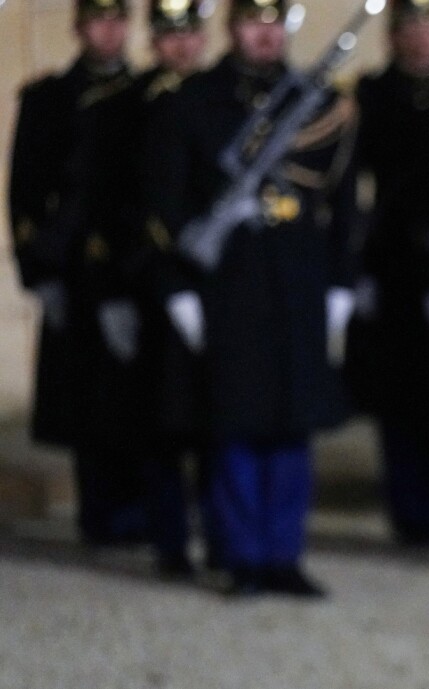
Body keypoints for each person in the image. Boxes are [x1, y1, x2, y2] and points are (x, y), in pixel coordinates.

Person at [141, 0, 361, 597]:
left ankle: (283, 555)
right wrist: (180, 288)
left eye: (273, 22)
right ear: (231, 27)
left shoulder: (316, 102)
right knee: (235, 427)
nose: (263, 35)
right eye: (251, 22)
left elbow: (342, 203)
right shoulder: (194, 101)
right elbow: (164, 203)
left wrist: (341, 279)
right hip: (229, 284)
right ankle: (242, 557)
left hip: (297, 281)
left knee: (292, 426)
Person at [345, 0, 429, 549]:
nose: (423, 38)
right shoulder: (371, 95)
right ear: (394, 36)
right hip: (393, 260)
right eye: (412, 28)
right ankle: (408, 509)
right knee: (398, 395)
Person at [7, 0, 140, 547]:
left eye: (116, 20)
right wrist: (40, 270)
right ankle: (103, 513)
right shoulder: (49, 100)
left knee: (143, 397)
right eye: (97, 20)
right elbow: (25, 191)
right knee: (90, 402)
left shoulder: (149, 95)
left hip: (135, 267)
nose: (107, 31)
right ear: (79, 26)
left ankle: (146, 511)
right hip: (76, 267)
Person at [87, 0, 211, 578]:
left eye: (190, 36)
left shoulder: (222, 99)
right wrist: (113, 289)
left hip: (215, 285)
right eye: (169, 37)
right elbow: (107, 205)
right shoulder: (126, 108)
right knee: (161, 424)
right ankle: (168, 541)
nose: (181, 48)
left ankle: (221, 535)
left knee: (218, 419)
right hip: (146, 282)